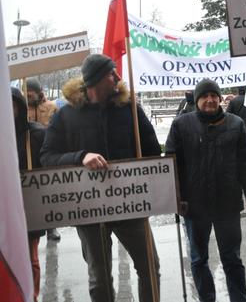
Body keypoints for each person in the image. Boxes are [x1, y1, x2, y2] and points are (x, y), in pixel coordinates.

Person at [40, 54, 161, 302]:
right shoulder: (66, 115)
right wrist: (80, 156)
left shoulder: (130, 109)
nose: (117, 77)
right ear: (94, 81)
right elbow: (47, 157)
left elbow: (152, 151)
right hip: (89, 210)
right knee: (100, 279)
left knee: (150, 268)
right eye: (111, 73)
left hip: (131, 207)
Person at [165, 79, 246, 302]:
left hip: (227, 203)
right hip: (194, 205)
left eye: (213, 96)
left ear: (219, 99)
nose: (209, 100)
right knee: (198, 260)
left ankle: (239, 298)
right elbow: (172, 163)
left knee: (232, 259)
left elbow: (244, 163)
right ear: (197, 99)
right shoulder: (181, 124)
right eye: (204, 96)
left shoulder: (235, 124)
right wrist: (176, 197)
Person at [13, 87, 46, 302]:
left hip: (29, 206)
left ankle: (31, 296)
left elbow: (48, 165)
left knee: (31, 258)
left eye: (13, 105)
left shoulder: (35, 134)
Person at [25, 77, 61, 242]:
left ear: (39, 93)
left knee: (49, 191)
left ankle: (51, 227)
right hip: (29, 155)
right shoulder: (22, 107)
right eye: (26, 94)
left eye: (31, 95)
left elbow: (59, 129)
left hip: (47, 153)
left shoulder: (51, 107)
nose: (28, 97)